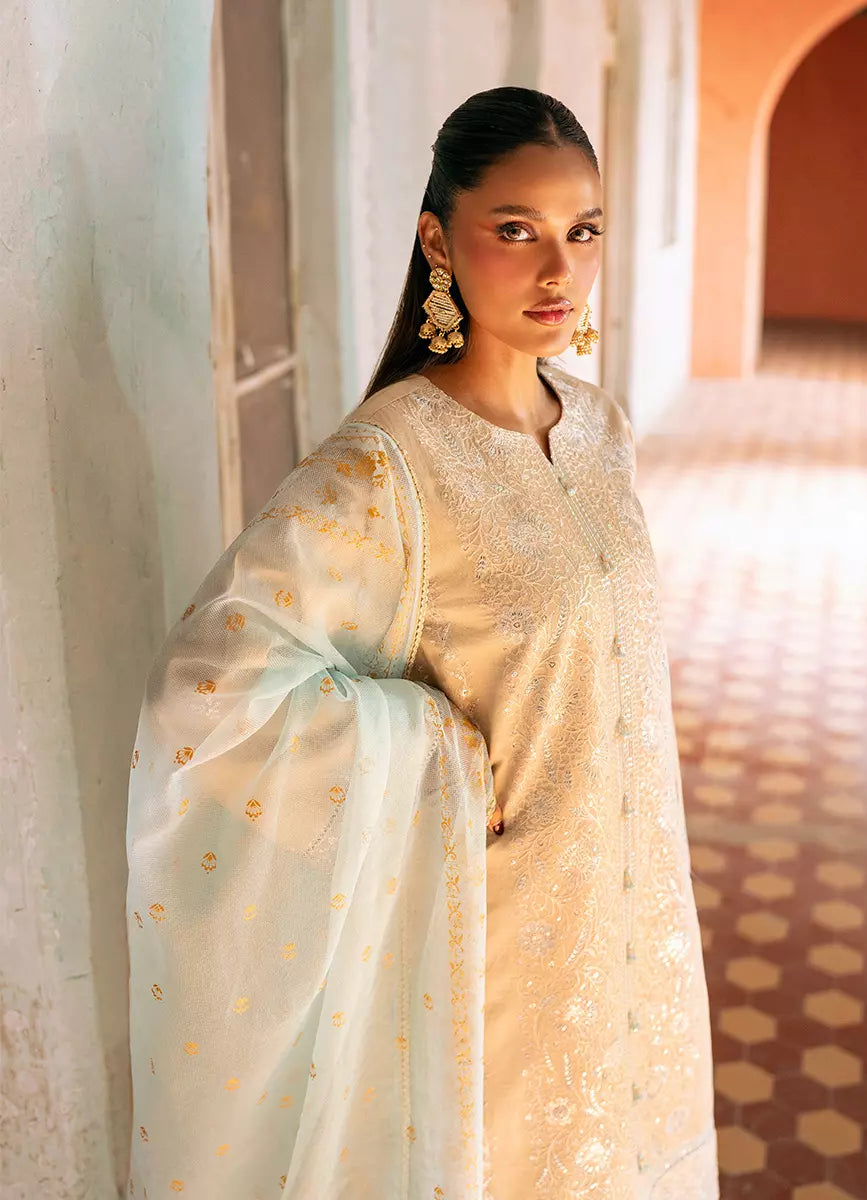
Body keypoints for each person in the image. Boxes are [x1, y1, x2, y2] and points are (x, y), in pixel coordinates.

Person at [126, 86, 717, 1199]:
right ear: (438, 242)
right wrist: (433, 754)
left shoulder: (600, 429)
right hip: (501, 959)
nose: (561, 271)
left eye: (584, 230)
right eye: (517, 231)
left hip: (641, 932)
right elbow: (208, 693)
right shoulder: (387, 464)